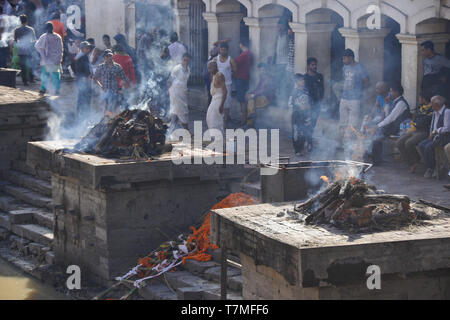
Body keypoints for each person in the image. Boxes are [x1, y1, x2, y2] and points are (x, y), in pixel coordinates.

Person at [367, 83, 410, 165]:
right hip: (392, 127)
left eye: (391, 91)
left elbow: (391, 118)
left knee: (377, 136)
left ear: (397, 92)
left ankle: (376, 160)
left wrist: (377, 126)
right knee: (375, 134)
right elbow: (387, 115)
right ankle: (376, 158)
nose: (390, 93)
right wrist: (387, 104)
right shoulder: (394, 102)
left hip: (399, 128)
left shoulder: (401, 103)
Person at [396, 91, 433, 173]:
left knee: (408, 143)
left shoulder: (431, 109)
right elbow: (416, 120)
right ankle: (412, 162)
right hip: (415, 130)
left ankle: (416, 160)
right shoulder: (421, 107)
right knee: (399, 142)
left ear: (424, 99)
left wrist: (417, 122)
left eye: (420, 98)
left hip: (424, 132)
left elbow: (424, 122)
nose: (418, 99)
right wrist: (416, 123)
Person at [339, 48, 370, 142]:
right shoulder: (344, 67)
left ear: (351, 58)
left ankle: (350, 144)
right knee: (342, 122)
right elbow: (345, 79)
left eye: (344, 58)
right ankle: (342, 142)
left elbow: (366, 82)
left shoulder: (360, 68)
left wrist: (359, 91)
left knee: (353, 123)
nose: (343, 60)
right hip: (344, 97)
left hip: (355, 99)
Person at [418, 95, 450, 178]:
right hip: (435, 136)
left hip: (444, 137)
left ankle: (431, 168)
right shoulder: (435, 112)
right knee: (421, 145)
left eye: (432, 104)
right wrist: (431, 133)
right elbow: (433, 124)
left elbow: (447, 128)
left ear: (437, 104)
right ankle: (429, 166)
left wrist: (435, 131)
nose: (431, 106)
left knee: (429, 147)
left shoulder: (447, 112)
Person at [93, 49, 129, 113]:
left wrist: (122, 89)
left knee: (113, 109)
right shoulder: (101, 67)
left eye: (110, 55)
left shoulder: (117, 67)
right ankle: (104, 120)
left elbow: (124, 79)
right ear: (104, 58)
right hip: (104, 92)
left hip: (114, 92)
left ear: (112, 56)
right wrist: (100, 86)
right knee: (104, 109)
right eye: (107, 56)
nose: (109, 57)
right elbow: (95, 78)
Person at [35, 22, 63, 95]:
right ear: (53, 28)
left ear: (46, 29)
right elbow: (61, 49)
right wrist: (59, 58)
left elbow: (37, 46)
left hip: (46, 60)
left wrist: (42, 53)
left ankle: (43, 89)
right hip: (55, 60)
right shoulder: (58, 37)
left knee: (45, 76)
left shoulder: (44, 36)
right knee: (55, 76)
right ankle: (57, 90)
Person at [245, 63, 276, 128]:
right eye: (260, 70)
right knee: (251, 102)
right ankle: (251, 119)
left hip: (267, 99)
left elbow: (264, 90)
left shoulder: (268, 77)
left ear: (266, 70)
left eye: (263, 70)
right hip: (260, 97)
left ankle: (250, 122)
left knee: (251, 102)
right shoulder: (262, 77)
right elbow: (258, 88)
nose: (261, 71)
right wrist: (250, 93)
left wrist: (253, 95)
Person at [214, 42, 236, 128]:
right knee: (217, 102)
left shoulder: (231, 60)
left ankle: (225, 122)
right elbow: (212, 71)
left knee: (226, 104)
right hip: (218, 85)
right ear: (219, 50)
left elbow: (234, 71)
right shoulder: (216, 59)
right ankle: (218, 120)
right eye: (221, 50)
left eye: (224, 50)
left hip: (227, 84)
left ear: (227, 50)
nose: (223, 51)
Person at [290, 74, 313, 156]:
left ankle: (303, 147)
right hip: (297, 115)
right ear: (296, 82)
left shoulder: (306, 91)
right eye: (300, 80)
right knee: (296, 132)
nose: (302, 81)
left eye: (303, 80)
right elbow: (290, 103)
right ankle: (297, 150)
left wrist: (309, 107)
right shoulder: (294, 92)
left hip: (305, 115)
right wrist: (299, 107)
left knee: (304, 131)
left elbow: (309, 101)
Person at [273, 18, 294, 105]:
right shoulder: (277, 36)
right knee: (278, 82)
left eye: (280, 27)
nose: (279, 29)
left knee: (285, 83)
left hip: (286, 63)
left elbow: (292, 44)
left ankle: (285, 101)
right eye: (278, 27)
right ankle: (279, 101)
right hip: (278, 63)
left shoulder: (287, 36)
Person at [168, 53, 191, 130]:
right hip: (175, 93)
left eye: (187, 60)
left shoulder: (188, 69)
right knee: (181, 112)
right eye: (184, 60)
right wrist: (169, 91)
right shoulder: (177, 69)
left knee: (177, 112)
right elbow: (170, 80)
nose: (186, 62)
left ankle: (171, 131)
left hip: (183, 93)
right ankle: (186, 131)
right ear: (182, 60)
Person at [304, 57, 324, 142]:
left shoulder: (319, 76)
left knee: (313, 123)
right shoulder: (305, 77)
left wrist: (321, 100)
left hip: (317, 103)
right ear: (308, 66)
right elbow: (304, 91)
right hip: (308, 104)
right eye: (313, 65)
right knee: (308, 123)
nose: (315, 66)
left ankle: (309, 139)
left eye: (315, 65)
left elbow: (322, 89)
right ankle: (308, 141)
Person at [71, 41, 92, 119]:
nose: (89, 49)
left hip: (81, 80)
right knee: (86, 98)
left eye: (89, 48)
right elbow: (85, 70)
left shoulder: (79, 56)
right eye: (87, 48)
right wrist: (88, 75)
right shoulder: (83, 57)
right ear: (82, 49)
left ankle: (80, 115)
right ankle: (85, 116)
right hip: (84, 80)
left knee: (81, 97)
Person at [13, 14, 36, 86]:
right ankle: (31, 79)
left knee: (23, 66)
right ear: (27, 21)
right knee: (31, 64)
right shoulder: (31, 29)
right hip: (29, 50)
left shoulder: (16, 30)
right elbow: (34, 40)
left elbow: (15, 40)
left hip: (21, 50)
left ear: (20, 21)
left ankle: (25, 81)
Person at [234, 39, 252, 126]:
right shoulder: (248, 54)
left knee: (242, 100)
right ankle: (243, 119)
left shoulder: (245, 54)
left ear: (241, 44)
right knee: (242, 100)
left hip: (241, 78)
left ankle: (243, 119)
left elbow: (235, 62)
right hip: (244, 77)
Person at [206, 60, 227, 133]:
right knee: (210, 118)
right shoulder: (212, 75)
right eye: (208, 68)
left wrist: (221, 105)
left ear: (215, 67)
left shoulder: (220, 76)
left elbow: (225, 92)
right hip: (214, 99)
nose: (209, 70)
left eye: (210, 68)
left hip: (219, 100)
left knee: (215, 120)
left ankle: (219, 138)